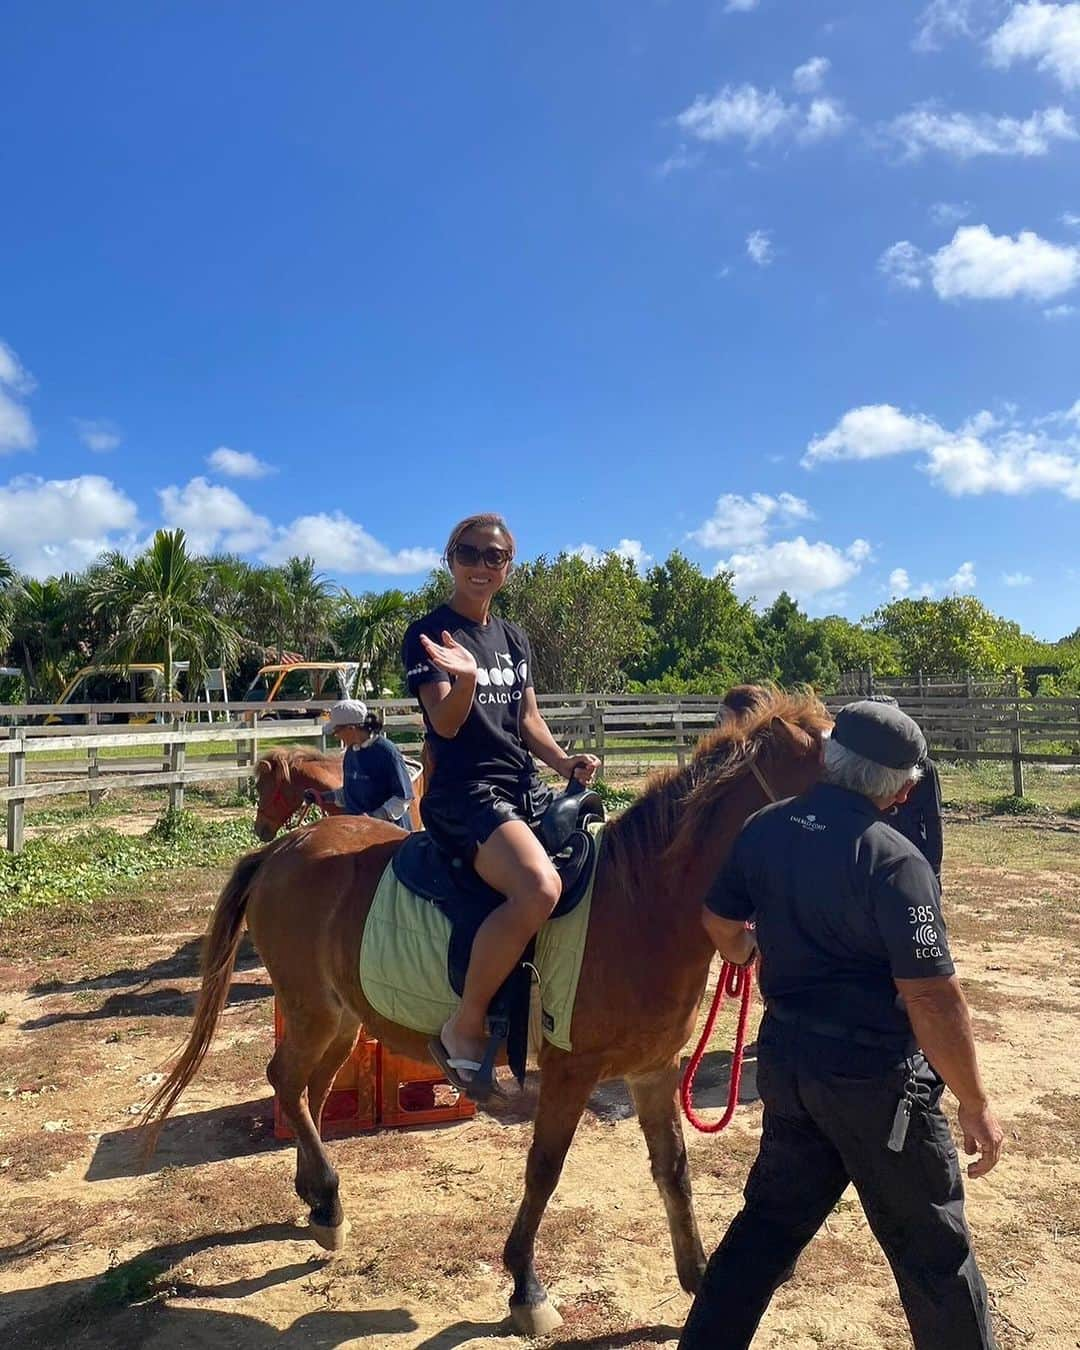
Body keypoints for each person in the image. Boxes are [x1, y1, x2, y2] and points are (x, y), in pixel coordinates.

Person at [681, 699, 1003, 1350]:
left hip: (789, 1065)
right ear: (903, 788)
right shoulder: (895, 860)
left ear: (828, 757)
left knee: (765, 1230)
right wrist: (975, 1102)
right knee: (934, 1256)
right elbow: (933, 1000)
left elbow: (718, 922)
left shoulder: (765, 829)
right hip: (878, 1084)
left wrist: (747, 951)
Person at [401, 512, 599, 1100]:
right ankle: (464, 1027)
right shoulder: (429, 634)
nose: (481, 566)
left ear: (508, 567)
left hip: (522, 786)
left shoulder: (513, 638)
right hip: (465, 794)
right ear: (450, 558)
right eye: (470, 553)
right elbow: (445, 721)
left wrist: (564, 763)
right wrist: (462, 678)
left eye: (495, 557)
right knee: (538, 889)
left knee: (605, 855)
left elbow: (527, 719)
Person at [866, 695, 944, 881]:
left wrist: (934, 871)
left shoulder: (923, 767)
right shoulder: (858, 768)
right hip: (871, 856)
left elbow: (933, 818)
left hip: (911, 853)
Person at [306, 700, 414, 831]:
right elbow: (350, 792)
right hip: (359, 830)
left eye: (336, 731)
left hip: (389, 834)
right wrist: (323, 797)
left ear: (351, 729)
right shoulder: (350, 753)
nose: (336, 736)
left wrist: (374, 817)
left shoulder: (387, 752)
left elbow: (403, 798)